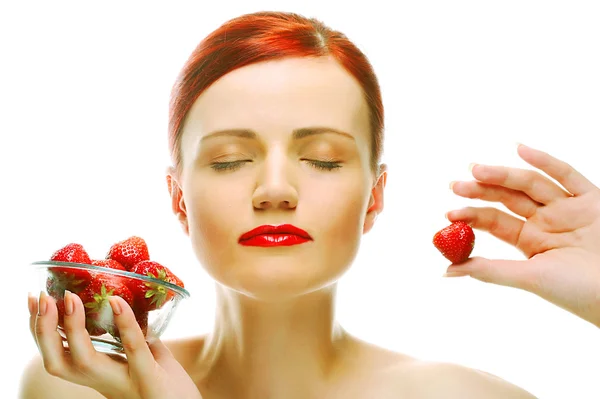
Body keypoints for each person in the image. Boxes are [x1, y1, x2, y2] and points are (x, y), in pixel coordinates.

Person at [19, 11, 600, 399]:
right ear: (179, 198)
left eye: (322, 158)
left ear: (374, 197)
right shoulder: (75, 386)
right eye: (228, 160)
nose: (276, 189)